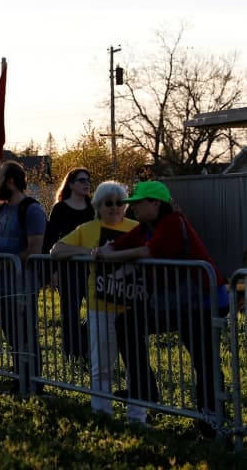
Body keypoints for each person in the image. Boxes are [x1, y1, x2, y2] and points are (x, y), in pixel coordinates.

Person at [94, 181, 230, 439]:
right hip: (176, 304)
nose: (131, 208)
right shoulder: (145, 227)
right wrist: (103, 250)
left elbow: (149, 252)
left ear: (156, 204)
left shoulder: (174, 222)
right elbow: (120, 244)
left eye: (137, 203)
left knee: (204, 361)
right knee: (128, 322)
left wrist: (110, 256)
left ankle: (213, 424)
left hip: (203, 301)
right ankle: (145, 388)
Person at [50, 180, 147, 424]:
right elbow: (57, 250)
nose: (114, 208)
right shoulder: (88, 229)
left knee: (136, 366)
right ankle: (102, 413)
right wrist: (88, 252)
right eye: (108, 204)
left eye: (118, 203)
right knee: (101, 363)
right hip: (100, 308)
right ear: (98, 206)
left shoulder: (138, 228)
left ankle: (137, 417)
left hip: (133, 309)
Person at [0, 160, 47, 394]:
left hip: (23, 286)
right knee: (11, 335)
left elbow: (34, 250)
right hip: (1, 286)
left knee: (26, 334)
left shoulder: (32, 210)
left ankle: (33, 382)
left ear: (10, 181)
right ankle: (19, 377)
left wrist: (5, 261)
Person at [43, 167, 95, 361]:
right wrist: (53, 271)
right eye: (82, 180)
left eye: (88, 180)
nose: (86, 183)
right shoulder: (61, 208)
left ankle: (87, 349)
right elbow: (50, 240)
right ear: (71, 184)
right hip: (67, 269)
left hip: (91, 270)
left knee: (95, 313)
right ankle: (72, 354)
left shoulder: (93, 208)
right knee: (70, 313)